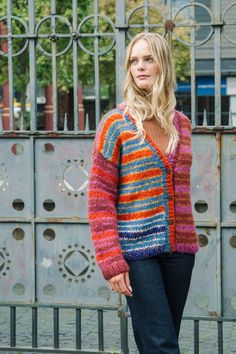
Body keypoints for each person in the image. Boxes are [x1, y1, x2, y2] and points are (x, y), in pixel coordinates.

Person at [88, 32, 199, 354]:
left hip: (180, 251)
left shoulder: (181, 125)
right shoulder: (115, 124)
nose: (140, 67)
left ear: (163, 64)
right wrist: (110, 259)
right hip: (137, 252)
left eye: (148, 59)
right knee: (162, 344)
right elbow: (99, 196)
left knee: (162, 340)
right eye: (134, 61)